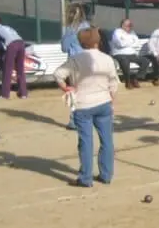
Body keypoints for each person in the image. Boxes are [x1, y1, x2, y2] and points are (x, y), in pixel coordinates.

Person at [54, 27, 120, 188]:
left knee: (85, 141)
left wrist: (66, 88)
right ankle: (106, 174)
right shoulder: (107, 59)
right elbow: (114, 83)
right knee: (107, 140)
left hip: (83, 103)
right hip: (103, 101)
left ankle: (85, 178)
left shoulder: (76, 59)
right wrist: (111, 99)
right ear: (98, 41)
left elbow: (58, 74)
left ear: (82, 42)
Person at [0, 14, 28, 99]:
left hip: (12, 45)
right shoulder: (7, 27)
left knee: (8, 70)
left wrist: (0, 53)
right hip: (21, 43)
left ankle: (5, 94)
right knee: (20, 69)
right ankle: (23, 93)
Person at [110, 18, 151, 88]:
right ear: (123, 25)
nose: (130, 27)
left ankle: (135, 78)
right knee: (125, 61)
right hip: (119, 54)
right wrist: (131, 41)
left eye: (130, 25)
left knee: (145, 61)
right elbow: (121, 44)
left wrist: (127, 42)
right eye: (128, 25)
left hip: (132, 54)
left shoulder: (132, 32)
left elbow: (137, 43)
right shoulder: (117, 32)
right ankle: (127, 81)